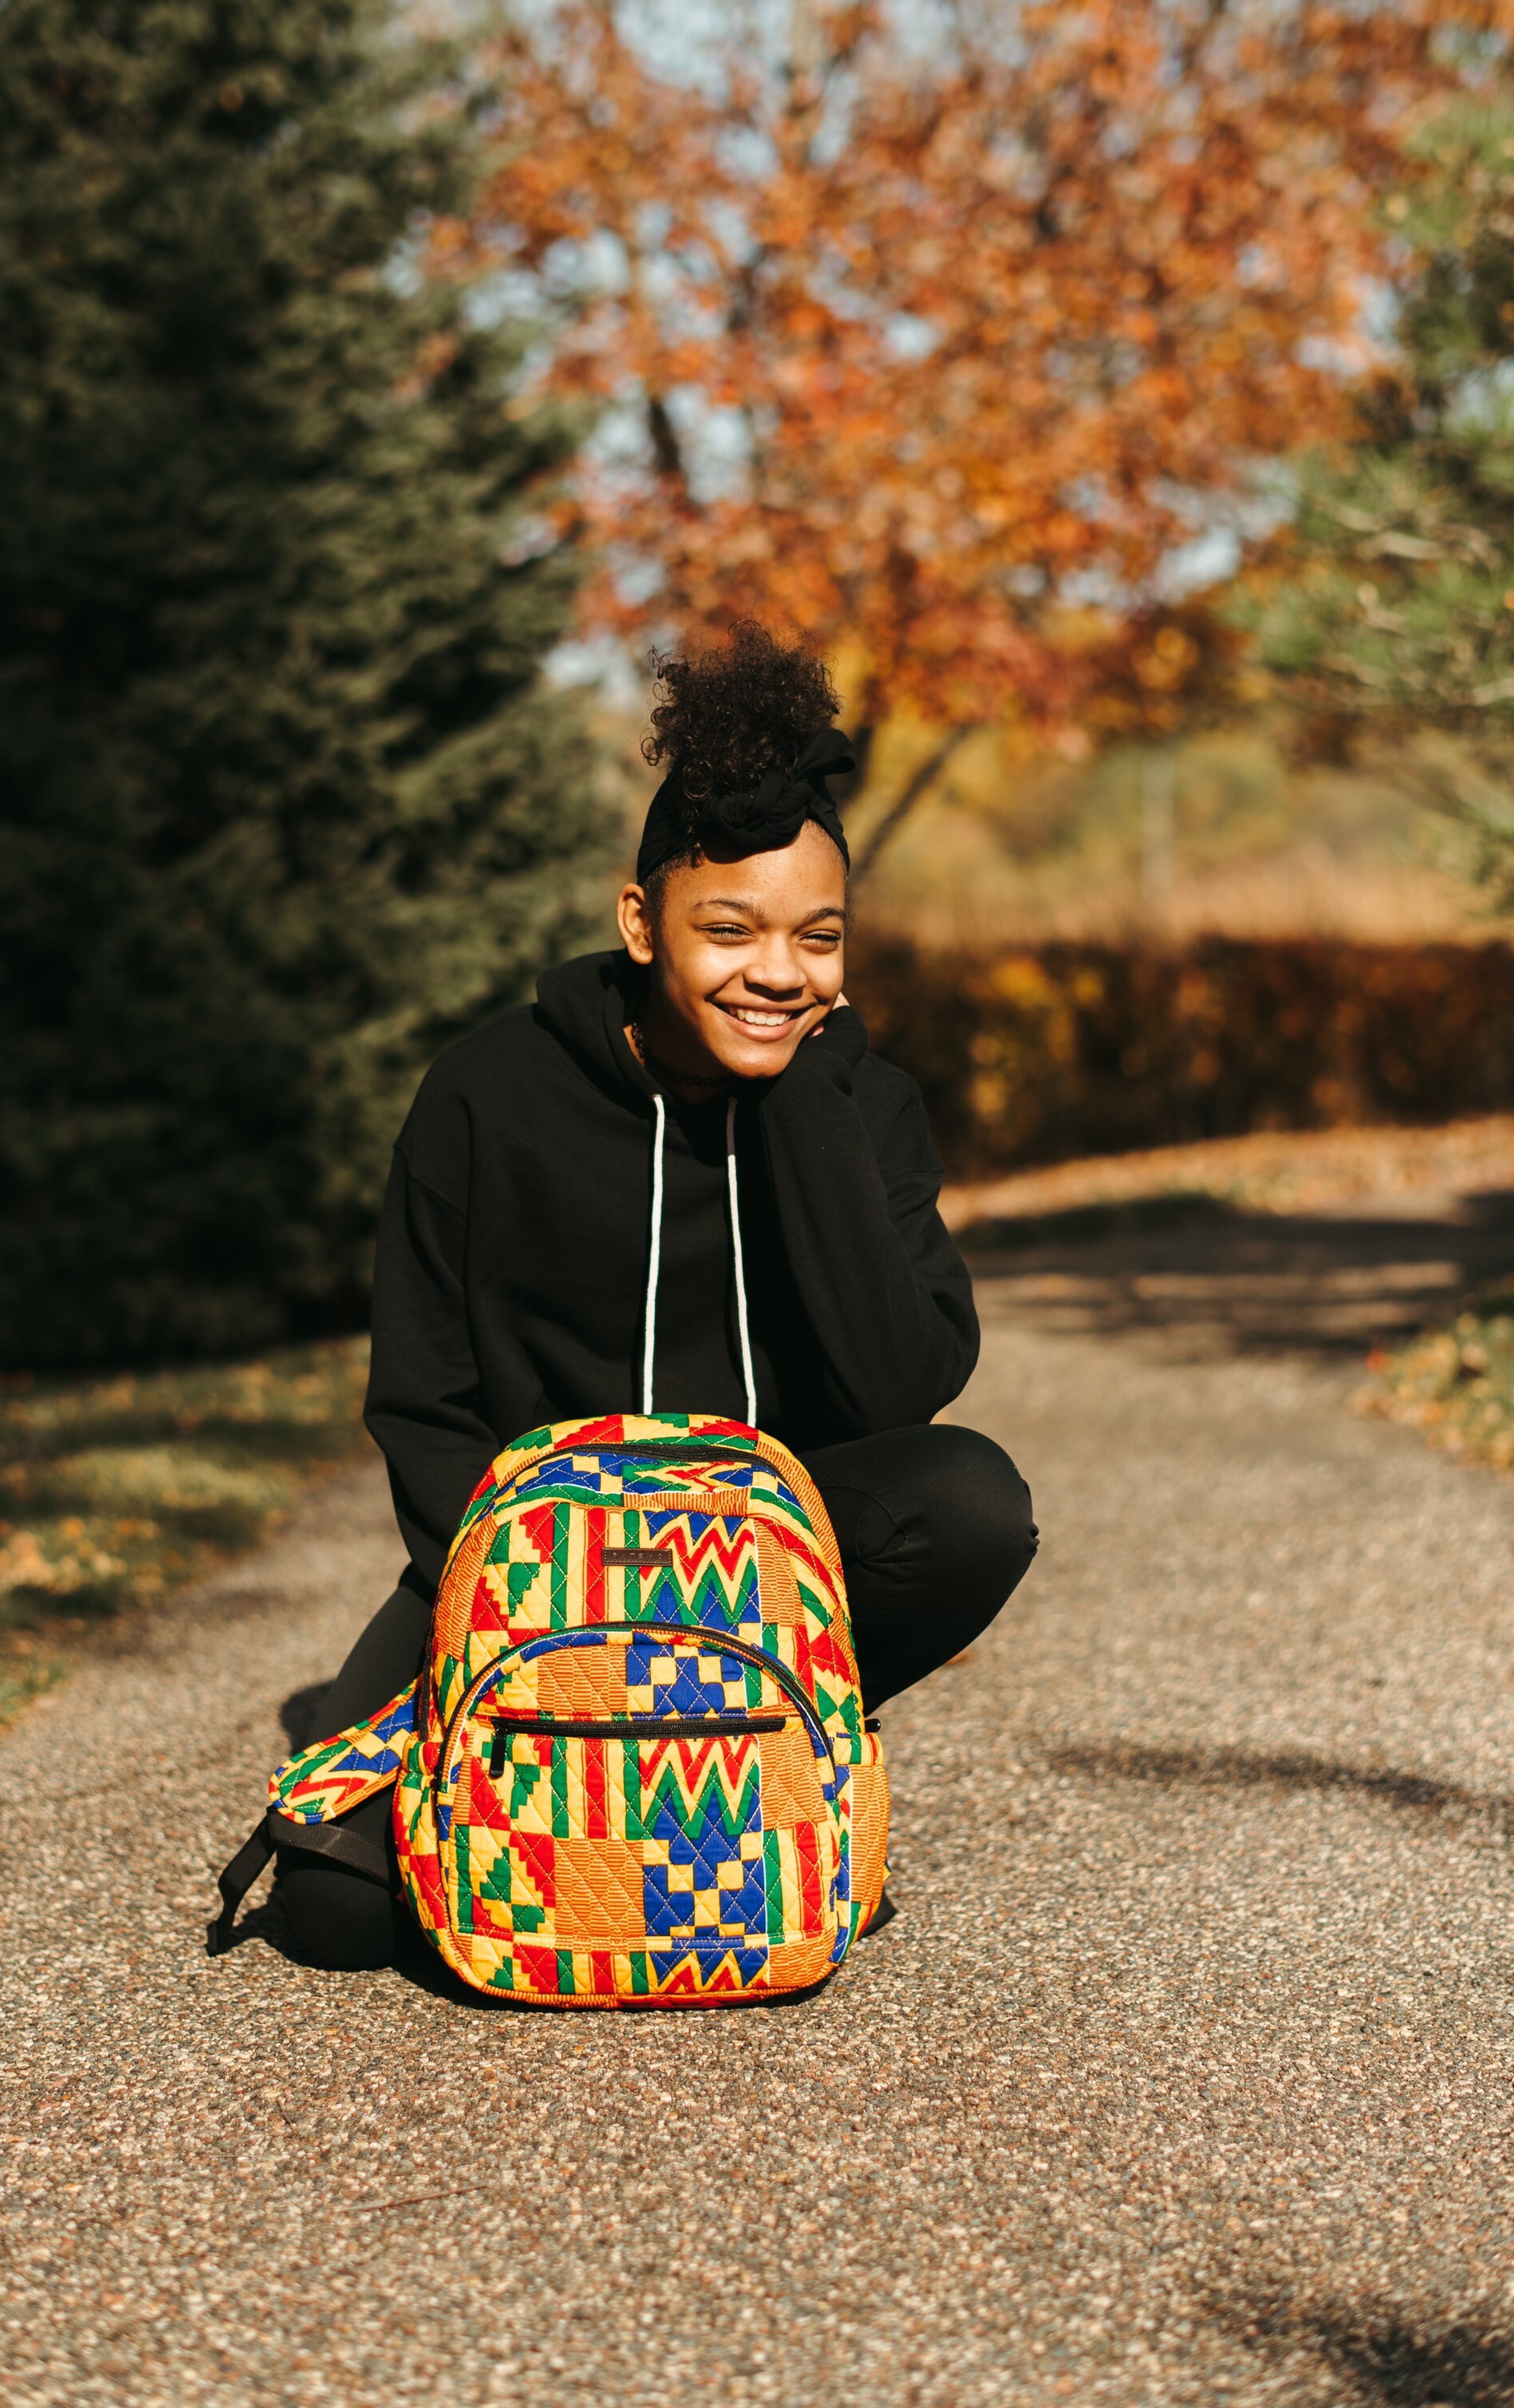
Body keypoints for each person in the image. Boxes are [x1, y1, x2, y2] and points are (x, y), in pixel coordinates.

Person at [279, 623, 1037, 1969]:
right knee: (334, 1914)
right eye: (729, 930)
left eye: (818, 936)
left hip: (760, 1571)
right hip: (521, 1564)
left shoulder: (863, 1104)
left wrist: (798, 1093)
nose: (777, 970)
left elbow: (896, 1385)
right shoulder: (487, 1095)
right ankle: (624, 1784)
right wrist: (534, 1620)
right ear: (642, 925)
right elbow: (423, 1398)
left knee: (973, 1503)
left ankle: (764, 1757)